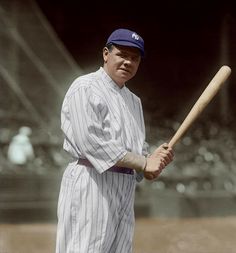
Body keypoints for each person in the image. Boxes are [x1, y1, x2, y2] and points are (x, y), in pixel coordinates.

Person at [55, 28, 174, 253]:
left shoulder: (134, 101)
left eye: (134, 58)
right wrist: (142, 162)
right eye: (122, 54)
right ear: (106, 54)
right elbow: (91, 142)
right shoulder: (85, 86)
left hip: (124, 189)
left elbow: (137, 148)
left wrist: (151, 162)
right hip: (91, 182)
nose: (128, 62)